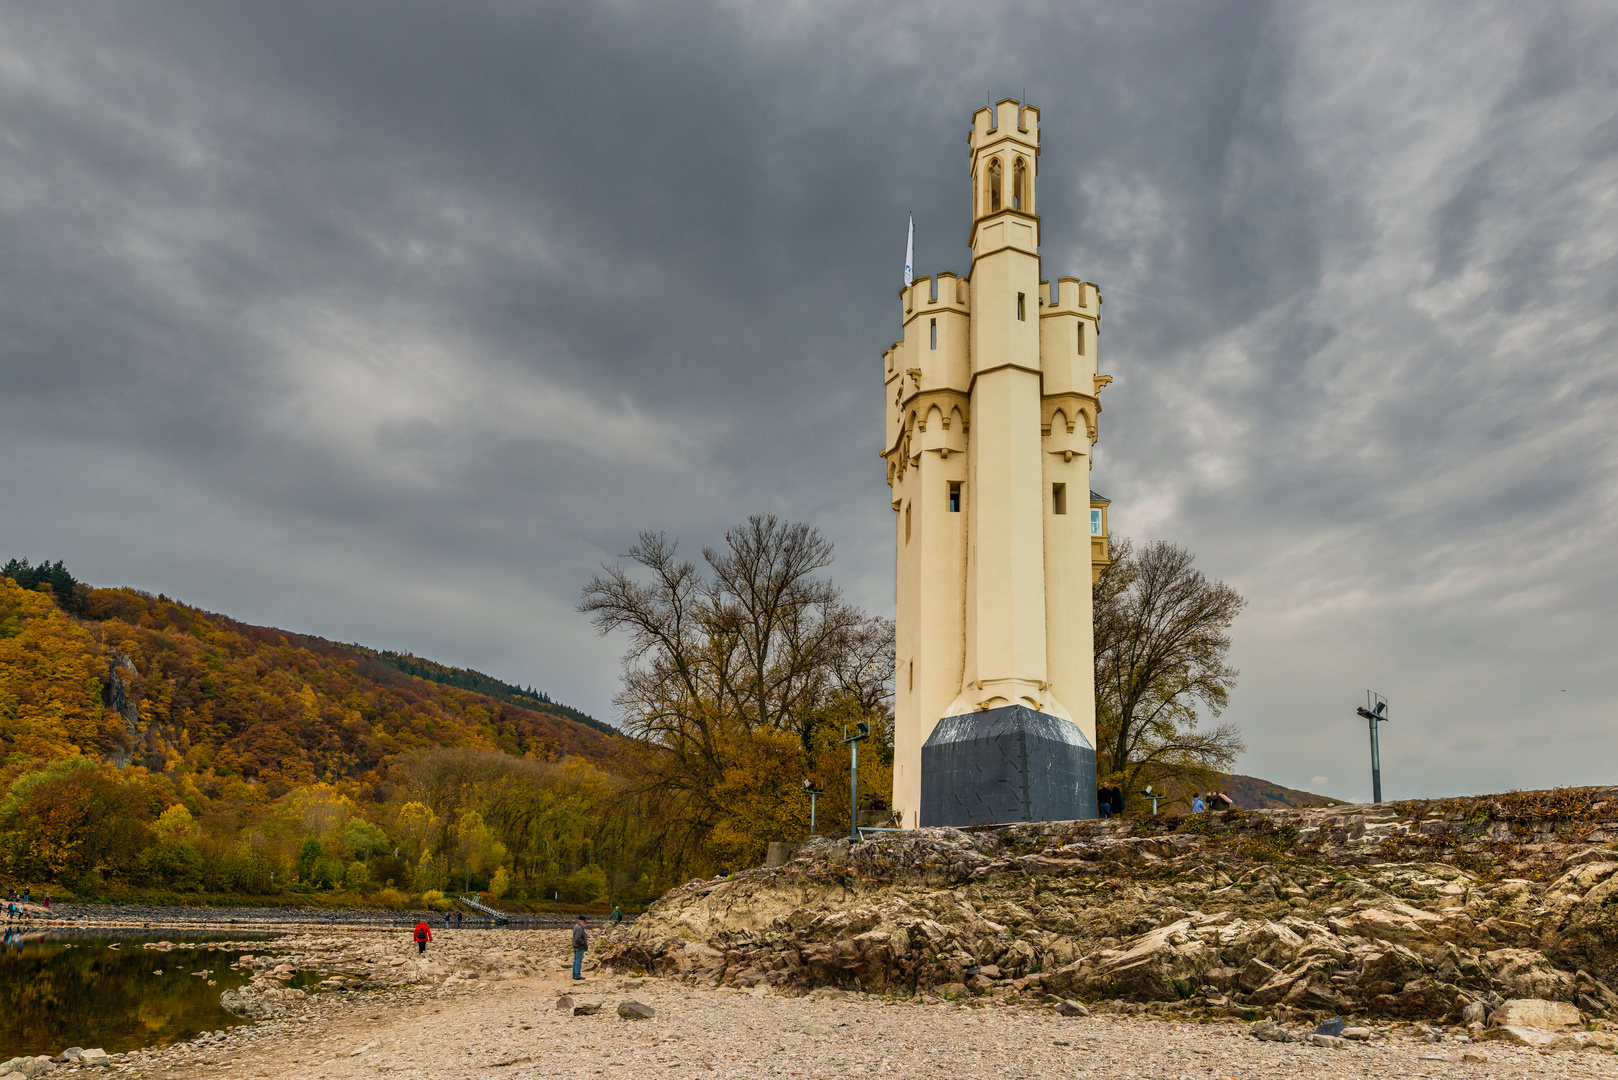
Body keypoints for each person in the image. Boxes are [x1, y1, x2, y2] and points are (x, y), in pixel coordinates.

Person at [571, 916, 588, 981]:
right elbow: (578, 938)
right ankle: (577, 975)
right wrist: (583, 943)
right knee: (578, 961)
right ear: (580, 921)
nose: (585, 922)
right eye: (584, 921)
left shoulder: (577, 927)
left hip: (577, 946)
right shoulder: (579, 928)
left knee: (576, 960)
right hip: (579, 946)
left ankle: (575, 975)